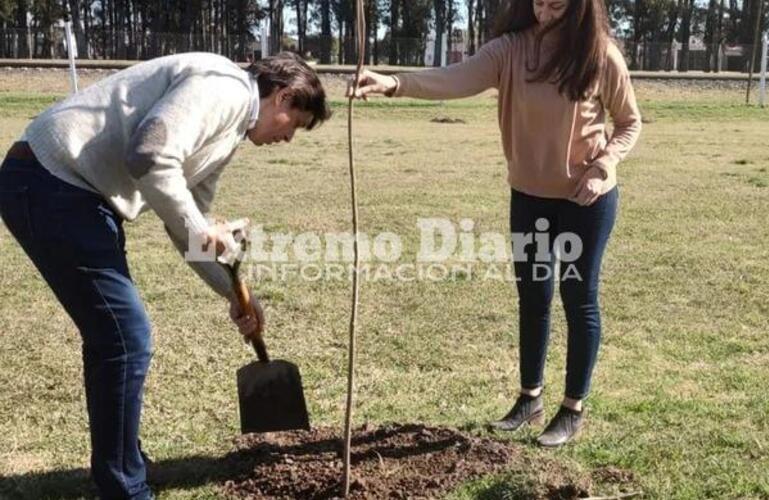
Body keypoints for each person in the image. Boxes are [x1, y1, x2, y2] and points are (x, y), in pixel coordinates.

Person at [0, 51, 330, 499]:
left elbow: (187, 225)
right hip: (52, 181)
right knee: (124, 337)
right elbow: (149, 153)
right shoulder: (226, 87)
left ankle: (123, 467)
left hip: (69, 191)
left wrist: (233, 294)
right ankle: (125, 487)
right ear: (283, 97)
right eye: (295, 125)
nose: (288, 138)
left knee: (118, 337)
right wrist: (199, 228)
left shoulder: (229, 131)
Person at [349, 0, 641, 447]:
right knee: (533, 297)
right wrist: (394, 83)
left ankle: (572, 408)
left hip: (586, 199)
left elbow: (628, 123)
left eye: (556, 4)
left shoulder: (600, 56)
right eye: (538, 2)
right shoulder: (509, 50)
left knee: (578, 297)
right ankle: (530, 399)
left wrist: (604, 165)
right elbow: (455, 78)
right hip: (529, 196)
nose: (544, 13)